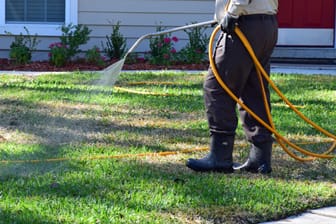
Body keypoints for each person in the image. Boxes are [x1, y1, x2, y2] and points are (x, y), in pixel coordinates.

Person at [186, 0, 278, 174]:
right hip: (266, 24)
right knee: (254, 90)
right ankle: (260, 158)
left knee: (217, 88)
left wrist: (232, 12)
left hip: (244, 24)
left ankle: (220, 157)